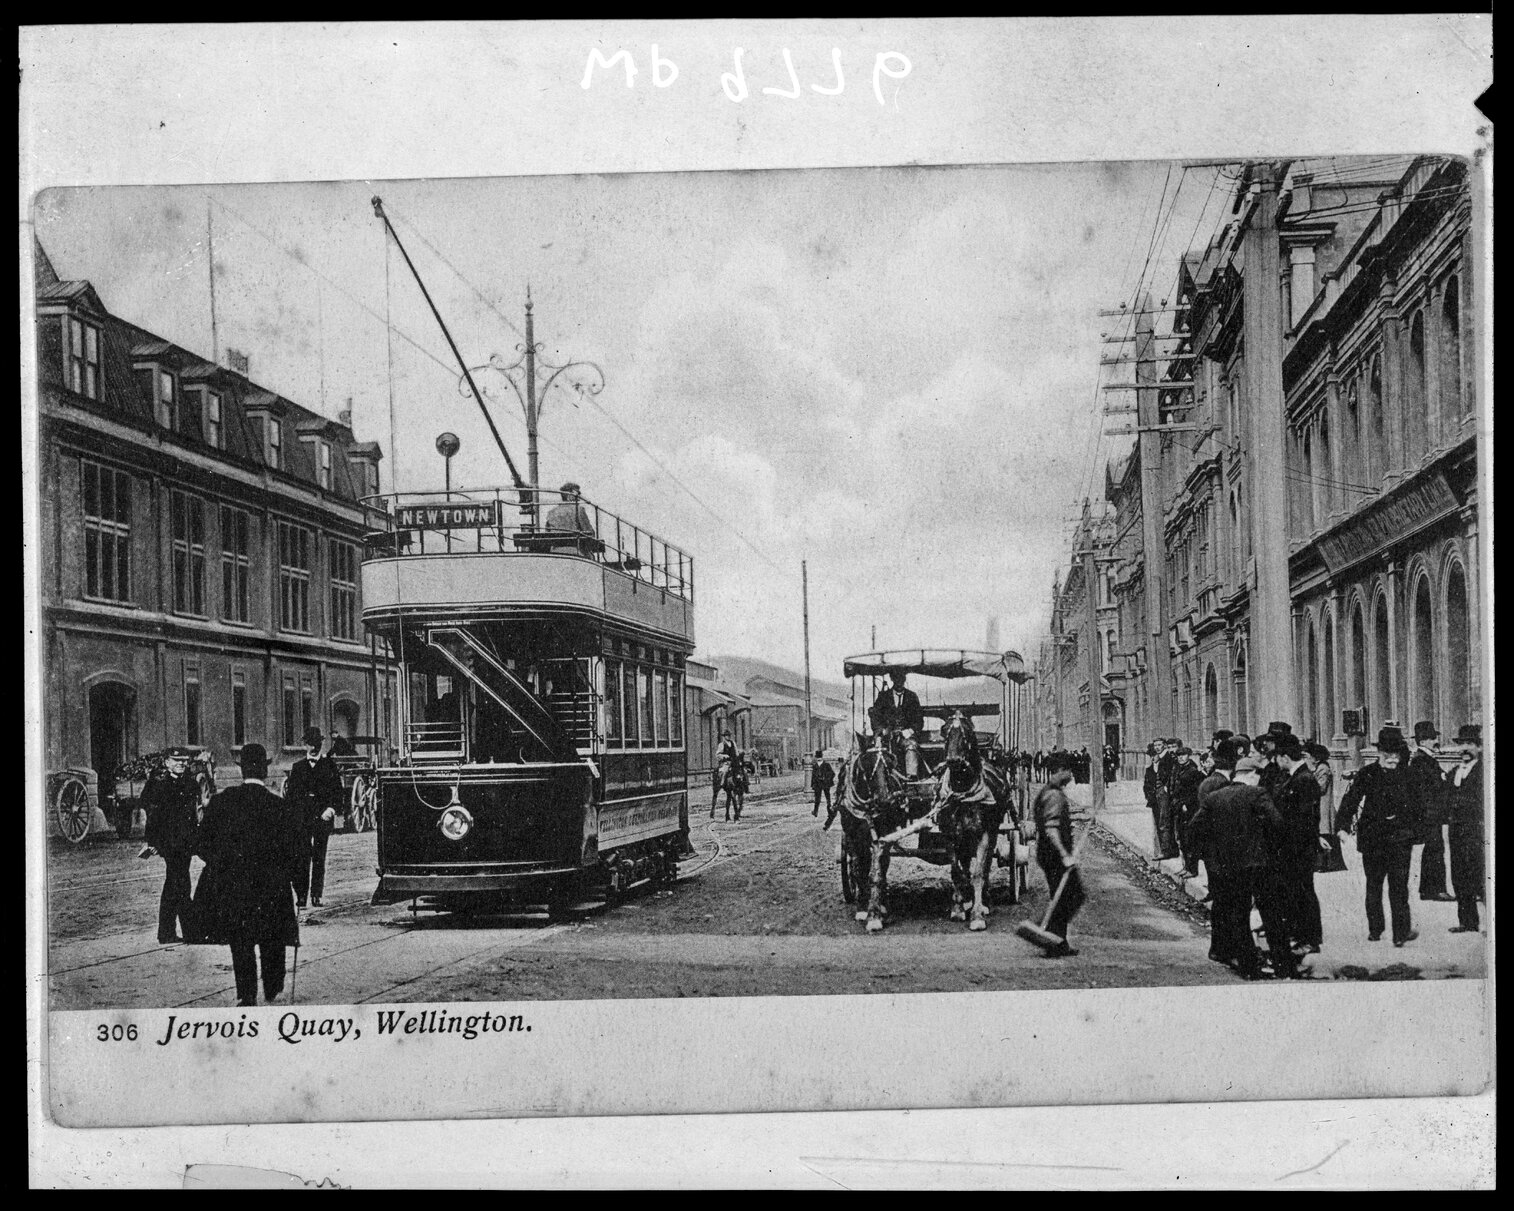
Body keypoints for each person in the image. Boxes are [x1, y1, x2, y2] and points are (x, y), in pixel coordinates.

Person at [192, 743, 304, 1007]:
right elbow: (296, 851)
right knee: (271, 937)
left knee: (240, 941)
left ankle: (246, 993)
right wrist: (300, 888)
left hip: (234, 887)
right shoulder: (279, 806)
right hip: (272, 888)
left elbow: (202, 844)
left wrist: (222, 864)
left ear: (242, 771)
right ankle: (273, 987)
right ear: (264, 772)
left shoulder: (222, 803)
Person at [1188, 754, 1296, 979]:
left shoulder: (1214, 798)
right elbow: (1278, 824)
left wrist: (1214, 852)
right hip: (1260, 866)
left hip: (1228, 867)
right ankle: (1284, 967)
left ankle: (1248, 969)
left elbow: (1194, 828)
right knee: (1272, 916)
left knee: (1238, 915)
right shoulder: (1257, 794)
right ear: (1252, 775)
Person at [1337, 726, 1422, 947]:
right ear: (1379, 753)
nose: (1393, 759)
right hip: (1373, 839)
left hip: (1400, 839)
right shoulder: (1367, 774)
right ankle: (1376, 928)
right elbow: (1351, 800)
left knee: (1399, 886)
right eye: (1388, 754)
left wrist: (1418, 833)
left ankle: (1400, 934)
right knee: (1373, 885)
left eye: (1396, 754)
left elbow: (1419, 807)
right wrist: (1342, 826)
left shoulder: (1409, 775)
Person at [139, 746, 204, 945]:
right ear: (167, 762)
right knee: (181, 883)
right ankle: (188, 932)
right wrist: (152, 842)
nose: (181, 764)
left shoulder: (191, 784)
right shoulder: (157, 784)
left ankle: (167, 933)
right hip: (169, 843)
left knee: (175, 884)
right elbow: (151, 816)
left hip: (185, 843)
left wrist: (197, 840)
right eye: (176, 761)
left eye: (184, 761)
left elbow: (195, 815)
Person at [1271, 735, 1325, 956]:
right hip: (1295, 846)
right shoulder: (1296, 777)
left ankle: (1310, 939)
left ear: (1285, 757)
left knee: (1303, 892)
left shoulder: (1303, 779)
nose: (1276, 762)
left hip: (1299, 847)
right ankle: (1301, 935)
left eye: (1277, 758)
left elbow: (1306, 817)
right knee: (1297, 891)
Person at [284, 727, 344, 908]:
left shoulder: (329, 766)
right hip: (302, 820)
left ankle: (316, 894)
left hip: (322, 819)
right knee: (301, 858)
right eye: (310, 744)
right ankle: (301, 896)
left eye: (316, 744)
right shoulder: (298, 767)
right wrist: (294, 817)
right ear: (305, 745)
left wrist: (331, 809)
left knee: (319, 857)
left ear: (320, 745)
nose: (313, 748)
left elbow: (338, 792)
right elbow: (291, 797)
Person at [1031, 764, 1084, 958]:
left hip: (1046, 854)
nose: (1070, 775)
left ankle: (1059, 943)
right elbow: (1051, 828)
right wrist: (1064, 855)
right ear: (1059, 771)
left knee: (1061, 896)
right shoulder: (1054, 796)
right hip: (1054, 855)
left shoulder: (1047, 792)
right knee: (1074, 895)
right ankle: (1047, 933)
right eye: (1068, 771)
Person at [1408, 721, 1454, 902]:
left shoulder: (1425, 758)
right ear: (1425, 740)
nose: (1436, 741)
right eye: (1433, 738)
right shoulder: (1421, 760)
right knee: (1435, 849)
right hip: (1429, 814)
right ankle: (1437, 890)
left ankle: (1427, 890)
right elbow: (1427, 788)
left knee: (1432, 850)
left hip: (1429, 813)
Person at [1444, 724, 1484, 933]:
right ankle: (1467, 921)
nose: (1464, 749)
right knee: (1459, 875)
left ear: (1478, 747)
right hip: (1456, 830)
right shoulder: (1453, 773)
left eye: (1469, 744)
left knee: (1480, 874)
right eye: (1462, 745)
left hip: (1477, 830)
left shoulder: (1484, 772)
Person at [869, 670, 925, 779]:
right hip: (887, 736)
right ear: (892, 679)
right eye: (896, 679)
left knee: (911, 747)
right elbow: (875, 717)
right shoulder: (883, 697)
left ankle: (911, 779)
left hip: (906, 737)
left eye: (901, 679)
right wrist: (881, 731)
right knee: (879, 753)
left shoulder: (912, 697)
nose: (899, 682)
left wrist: (910, 731)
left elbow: (919, 720)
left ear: (904, 680)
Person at [1169, 745, 1205, 876]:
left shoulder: (1193, 771)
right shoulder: (1179, 769)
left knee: (1190, 840)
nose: (1181, 758)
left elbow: (1196, 792)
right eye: (1179, 756)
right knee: (1182, 840)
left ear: (1188, 756)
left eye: (1183, 755)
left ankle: (1192, 869)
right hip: (1179, 807)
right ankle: (1186, 867)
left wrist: (1186, 805)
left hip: (1189, 809)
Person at [1144, 741, 1179, 860]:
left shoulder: (1168, 759)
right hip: (1156, 797)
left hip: (1164, 795)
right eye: (1155, 746)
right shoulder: (1154, 766)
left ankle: (1166, 851)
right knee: (1161, 822)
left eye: (1159, 746)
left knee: (1164, 822)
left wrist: (1166, 787)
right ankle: (1168, 850)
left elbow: (1172, 775)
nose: (1157, 749)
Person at [711, 730, 739, 817]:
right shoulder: (721, 744)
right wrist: (724, 756)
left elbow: (736, 753)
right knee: (725, 771)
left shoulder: (733, 743)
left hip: (733, 762)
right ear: (724, 736)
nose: (728, 737)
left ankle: (743, 784)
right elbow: (718, 755)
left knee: (741, 771)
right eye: (726, 735)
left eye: (729, 735)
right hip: (725, 763)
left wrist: (736, 757)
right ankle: (722, 782)